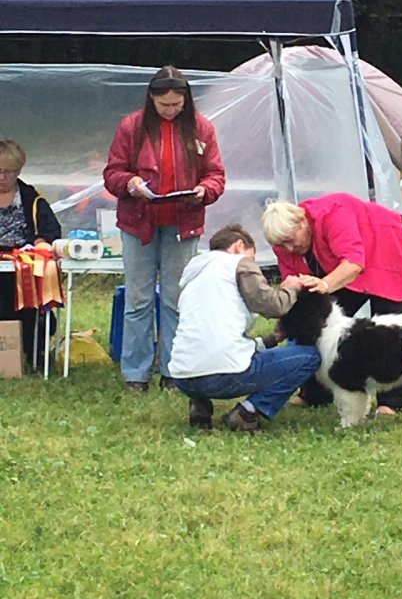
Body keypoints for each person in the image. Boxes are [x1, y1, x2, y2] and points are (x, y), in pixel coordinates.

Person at [103, 66, 225, 393]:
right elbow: (112, 173)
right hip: (138, 222)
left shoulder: (201, 128)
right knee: (138, 299)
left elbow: (215, 175)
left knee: (176, 299)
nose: (171, 110)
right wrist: (129, 182)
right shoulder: (131, 126)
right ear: (151, 100)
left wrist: (204, 190)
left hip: (183, 224)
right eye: (164, 105)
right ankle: (135, 374)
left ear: (186, 100)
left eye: (177, 104)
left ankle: (175, 371)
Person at [262, 192, 402, 415]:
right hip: (343, 266)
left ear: (302, 221)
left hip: (391, 248)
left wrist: (325, 284)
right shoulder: (284, 242)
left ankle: (392, 401)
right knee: (313, 323)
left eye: (291, 240)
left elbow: (353, 264)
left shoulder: (334, 213)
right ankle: (314, 392)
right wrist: (287, 320)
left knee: (387, 326)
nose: (288, 249)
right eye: (282, 245)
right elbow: (295, 288)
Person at [169, 225, 321, 433]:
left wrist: (274, 338)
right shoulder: (238, 263)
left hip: (182, 376)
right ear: (240, 246)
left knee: (203, 342)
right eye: (253, 257)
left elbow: (222, 336)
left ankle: (199, 404)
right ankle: (247, 413)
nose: (254, 264)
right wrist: (291, 286)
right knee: (310, 356)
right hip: (223, 375)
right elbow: (274, 305)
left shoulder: (193, 272)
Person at [0, 139, 61, 367]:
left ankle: (33, 354)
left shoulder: (32, 199)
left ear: (19, 171)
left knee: (30, 299)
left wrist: (42, 241)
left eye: (9, 172)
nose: (2, 177)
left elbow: (50, 231)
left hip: (22, 266)